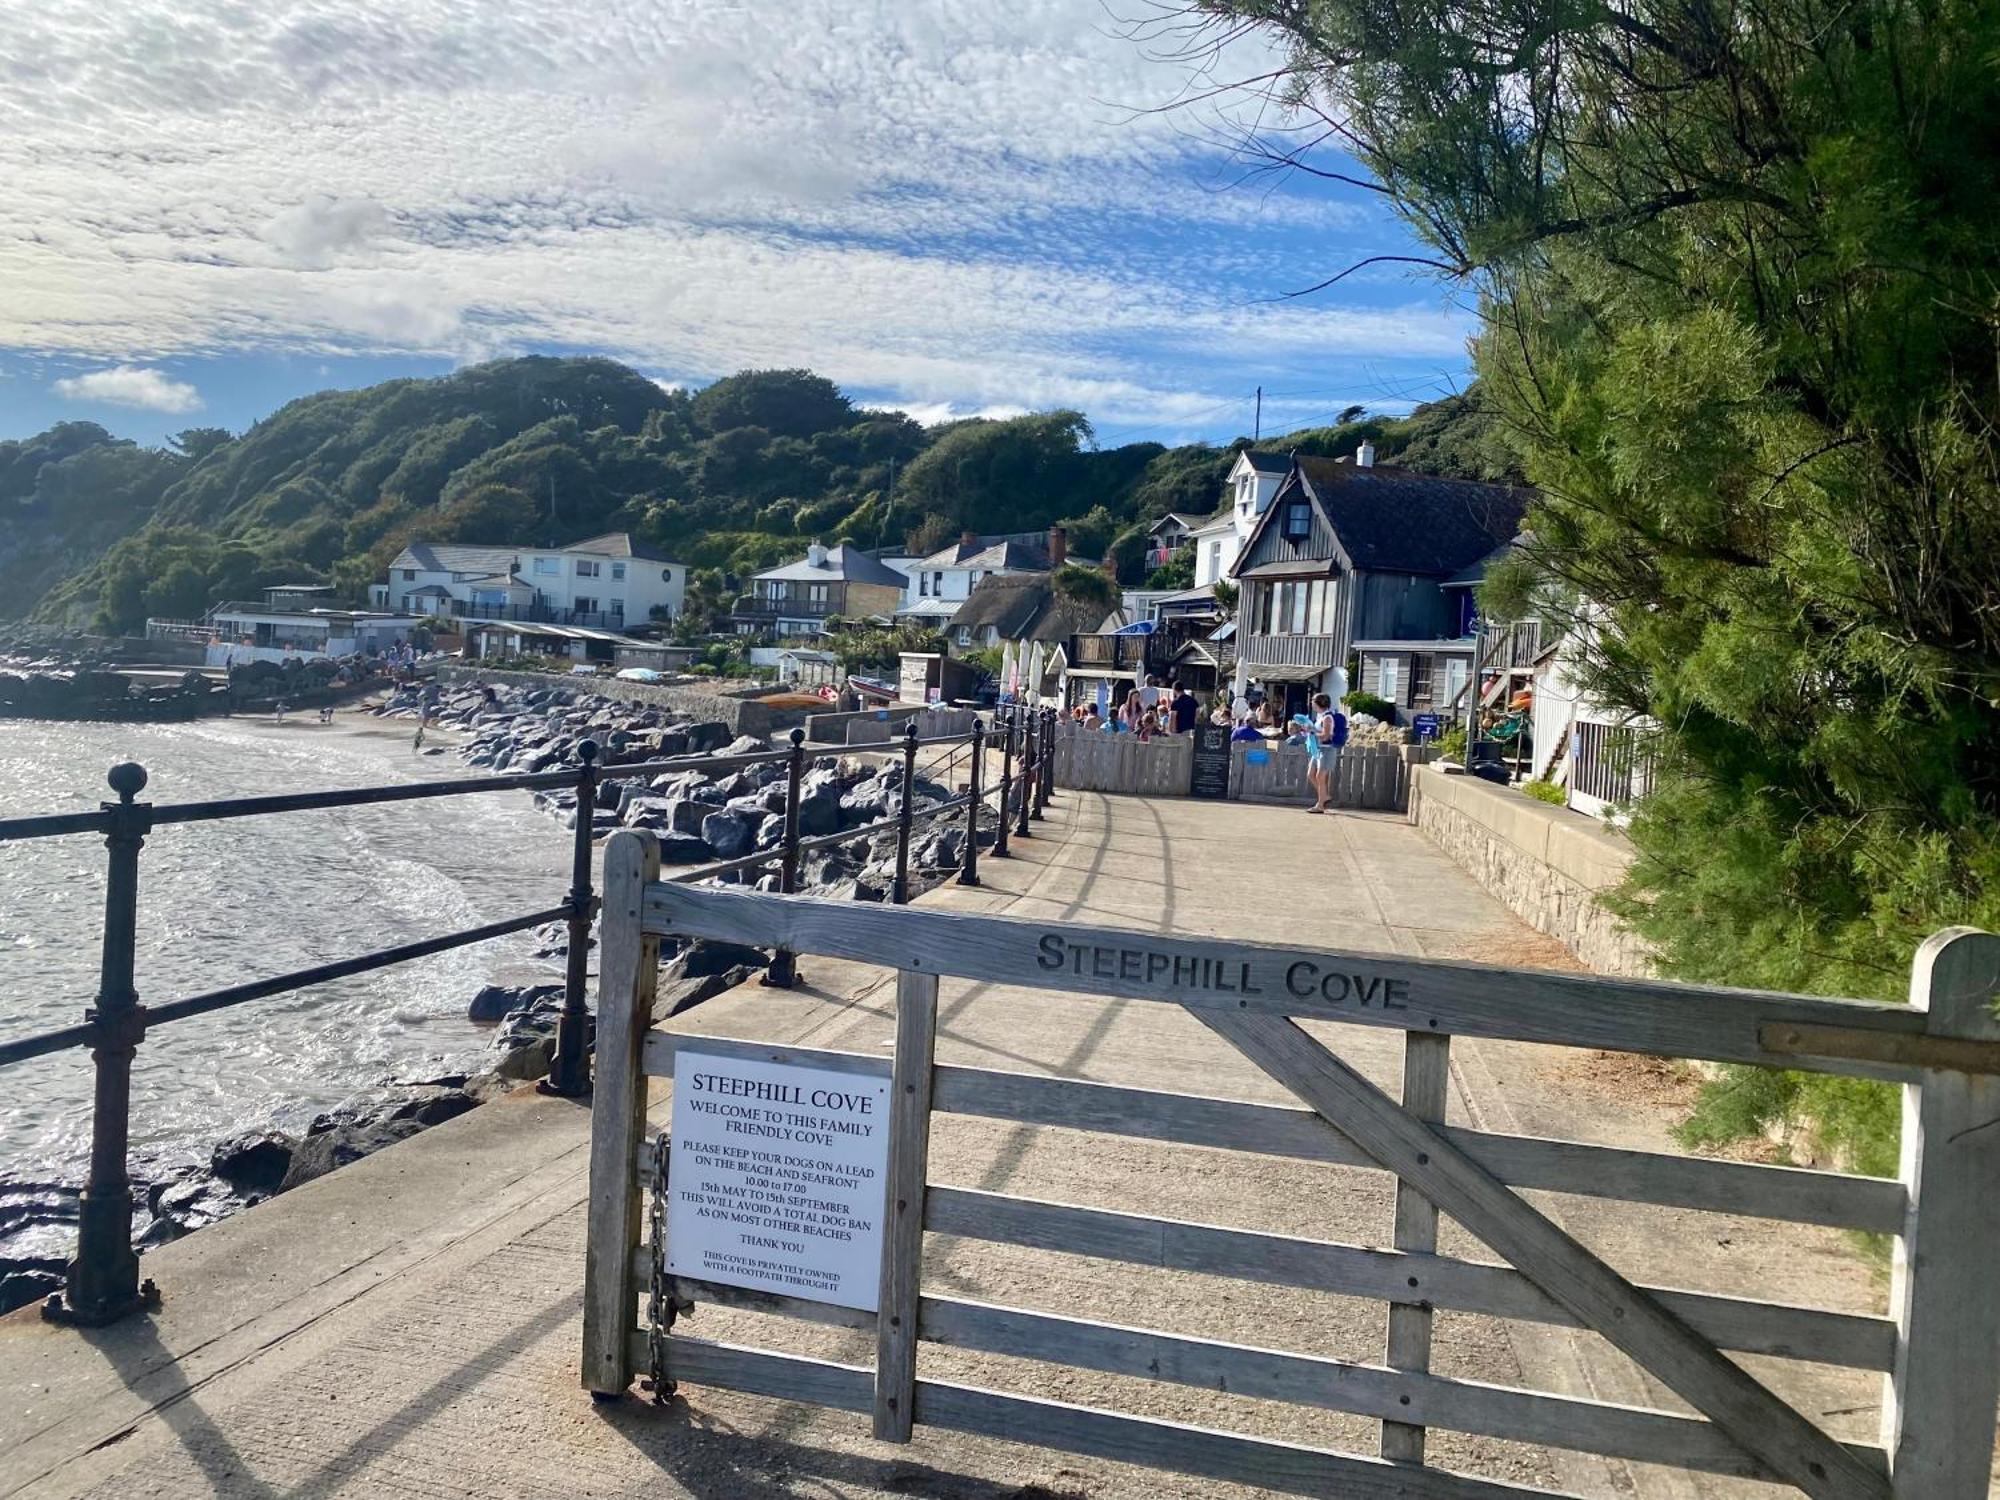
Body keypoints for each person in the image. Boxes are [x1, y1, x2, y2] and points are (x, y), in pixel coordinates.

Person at [1305, 691, 1348, 814]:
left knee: (1320, 776)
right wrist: (1311, 729)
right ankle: (1324, 797)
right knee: (1311, 774)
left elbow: (1326, 736)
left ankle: (1320, 804)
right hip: (1318, 749)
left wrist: (1312, 731)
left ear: (1318, 703)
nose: (1311, 703)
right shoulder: (1320, 716)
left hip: (1327, 749)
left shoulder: (1327, 717)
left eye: (1313, 701)